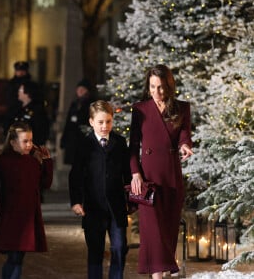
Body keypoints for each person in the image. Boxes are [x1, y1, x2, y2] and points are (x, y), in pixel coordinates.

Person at [129, 65, 193, 279]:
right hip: (148, 178)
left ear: (169, 86)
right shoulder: (140, 109)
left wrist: (185, 145)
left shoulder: (182, 108)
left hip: (171, 177)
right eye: (153, 87)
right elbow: (133, 145)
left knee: (168, 229)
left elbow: (185, 135)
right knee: (153, 231)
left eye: (162, 87)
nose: (157, 92)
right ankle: (158, 277)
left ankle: (162, 273)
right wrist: (135, 173)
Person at [69, 100, 131, 279]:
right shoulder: (85, 145)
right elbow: (75, 175)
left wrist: (131, 200)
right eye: (101, 122)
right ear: (91, 122)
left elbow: (127, 173)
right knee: (95, 250)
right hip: (93, 206)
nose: (105, 126)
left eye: (109, 121)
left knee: (120, 247)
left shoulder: (119, 143)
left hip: (116, 205)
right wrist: (76, 201)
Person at [0, 121, 53, 279]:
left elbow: (45, 183)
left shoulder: (32, 162)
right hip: (11, 215)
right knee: (14, 257)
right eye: (25, 141)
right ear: (13, 143)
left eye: (31, 140)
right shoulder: (3, 161)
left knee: (19, 257)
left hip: (28, 215)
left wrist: (47, 162)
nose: (29, 144)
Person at [6, 81, 50, 146]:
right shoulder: (18, 109)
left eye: (21, 90)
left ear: (27, 93)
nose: (19, 92)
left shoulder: (37, 111)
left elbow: (40, 132)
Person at [60, 79, 94, 165]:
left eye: (83, 89)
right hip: (72, 139)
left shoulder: (91, 104)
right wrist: (64, 139)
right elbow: (68, 122)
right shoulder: (74, 104)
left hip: (83, 139)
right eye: (78, 89)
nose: (80, 91)